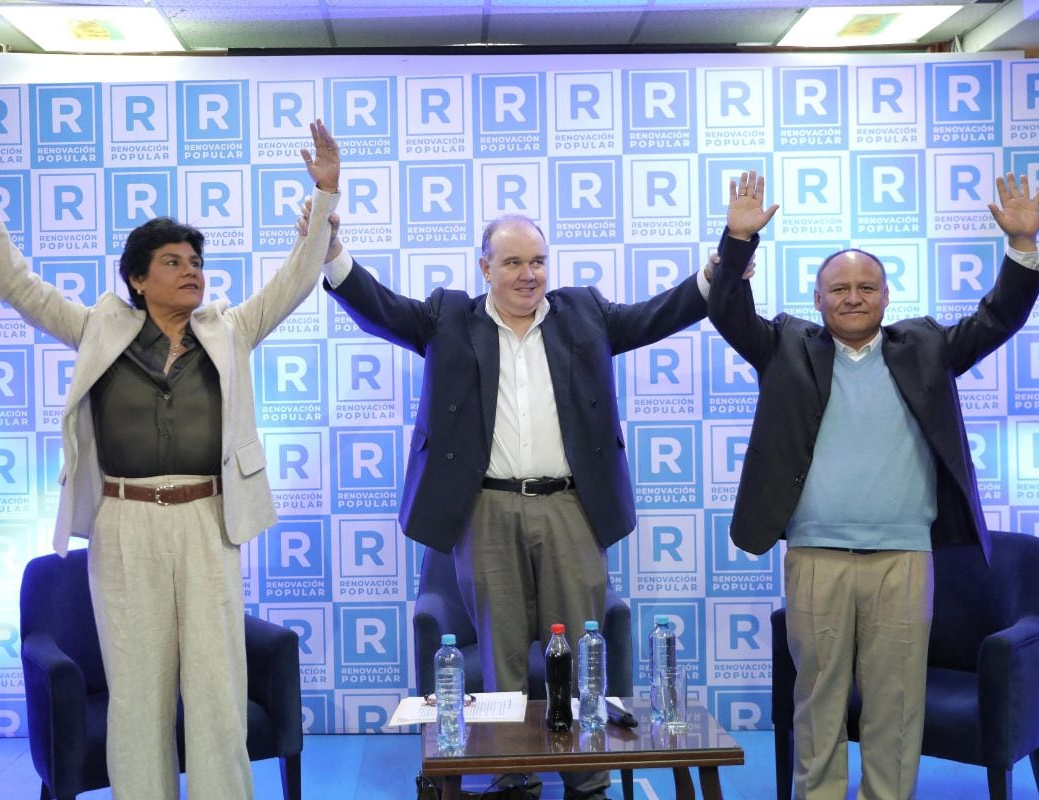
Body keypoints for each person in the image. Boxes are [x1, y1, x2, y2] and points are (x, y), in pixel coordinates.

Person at [0, 112, 340, 800]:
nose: (192, 273)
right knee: (138, 691)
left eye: (196, 263)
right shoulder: (98, 327)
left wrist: (328, 194)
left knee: (218, 687)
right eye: (173, 263)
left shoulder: (231, 329)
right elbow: (18, 285)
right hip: (123, 525)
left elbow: (295, 280)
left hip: (208, 521)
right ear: (136, 278)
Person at [299, 201, 738, 799]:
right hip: (486, 509)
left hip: (570, 508)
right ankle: (513, 777)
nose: (527, 274)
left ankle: (589, 782)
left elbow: (665, 312)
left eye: (537, 261)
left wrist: (733, 247)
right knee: (502, 654)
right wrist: (329, 250)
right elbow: (378, 308)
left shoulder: (584, 312)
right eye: (512, 262)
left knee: (584, 652)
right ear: (485, 267)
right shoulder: (449, 317)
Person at [706, 170, 1039, 800]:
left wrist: (1022, 247)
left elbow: (997, 318)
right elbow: (726, 307)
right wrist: (737, 240)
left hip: (904, 558)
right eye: (841, 288)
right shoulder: (783, 345)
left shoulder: (926, 346)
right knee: (820, 701)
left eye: (868, 287)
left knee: (895, 703)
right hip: (816, 556)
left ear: (887, 298)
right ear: (818, 299)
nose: (855, 297)